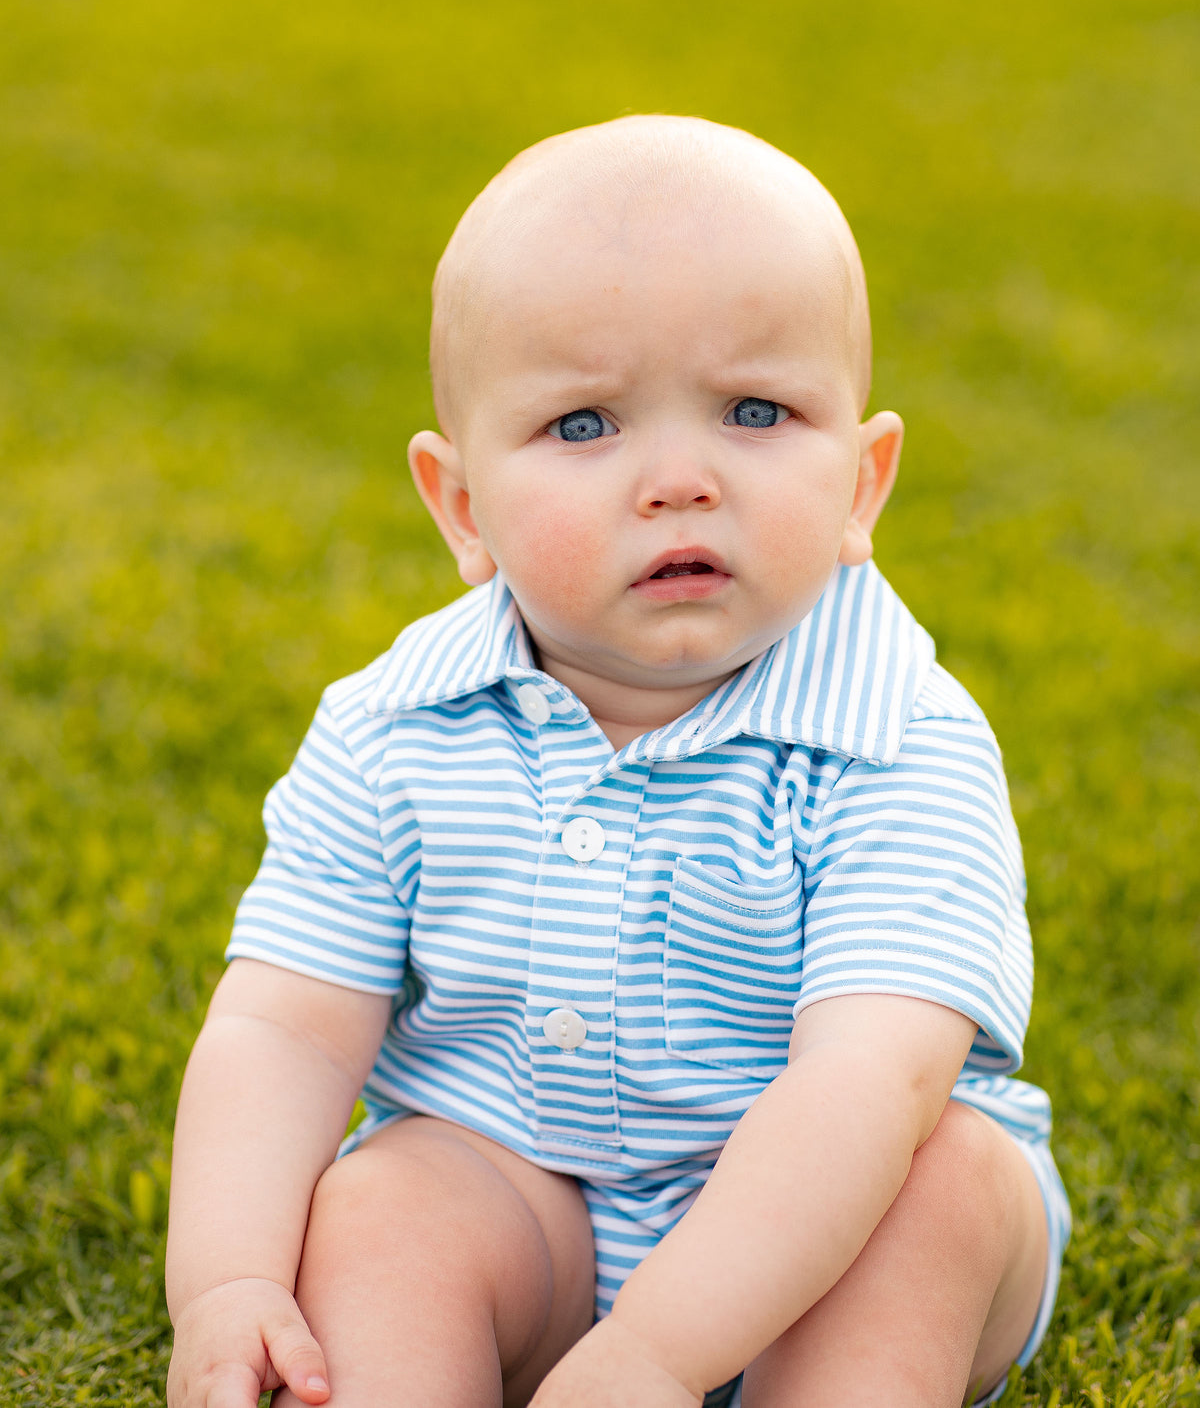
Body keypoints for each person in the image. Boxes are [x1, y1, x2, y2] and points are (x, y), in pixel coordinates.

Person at [165, 114, 1070, 1408]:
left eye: (757, 411)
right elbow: (284, 1031)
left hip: (833, 1223)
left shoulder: (899, 740)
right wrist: (229, 1279)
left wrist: (656, 1355)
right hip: (527, 1198)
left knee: (945, 1184)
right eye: (586, 425)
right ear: (463, 509)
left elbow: (869, 1083)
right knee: (382, 1208)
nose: (680, 479)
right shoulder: (392, 731)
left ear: (864, 483)